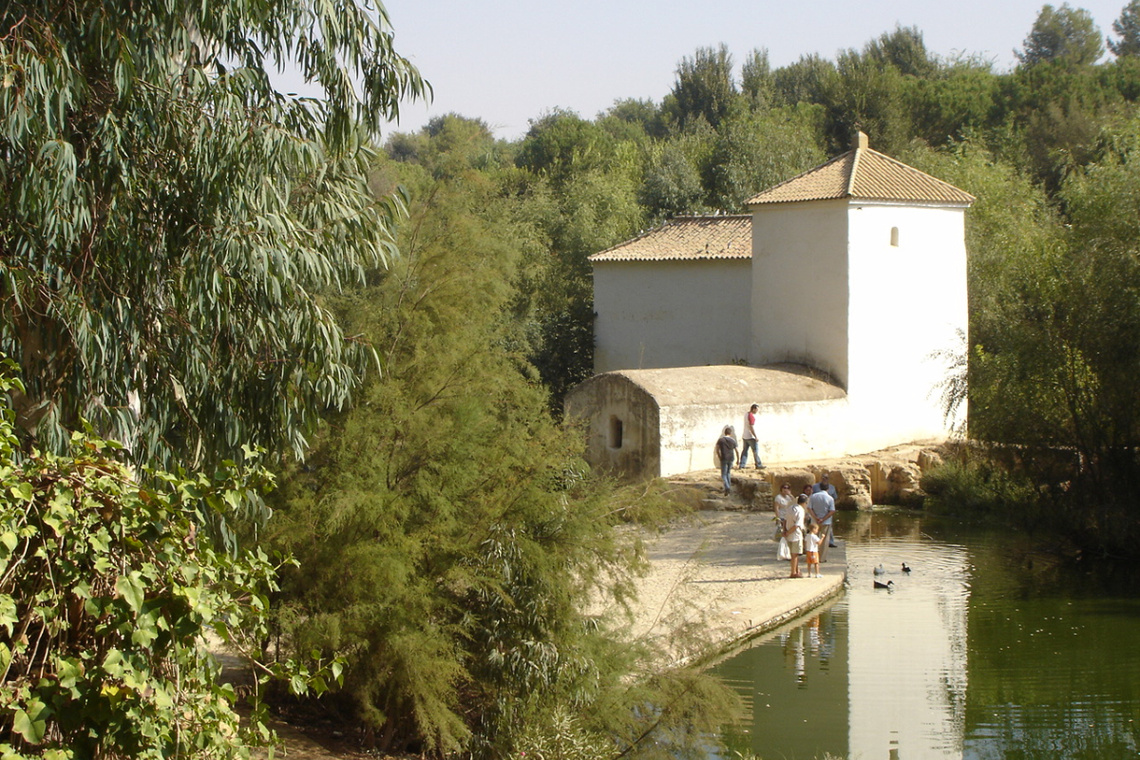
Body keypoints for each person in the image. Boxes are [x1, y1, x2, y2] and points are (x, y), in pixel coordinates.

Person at [807, 481, 836, 562]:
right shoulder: (830, 498)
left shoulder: (813, 496)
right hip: (826, 522)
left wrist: (816, 517)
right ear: (828, 488)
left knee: (812, 538)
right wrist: (823, 519)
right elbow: (832, 511)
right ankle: (821, 558)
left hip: (814, 521)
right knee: (825, 539)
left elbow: (809, 508)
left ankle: (812, 556)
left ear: (819, 487)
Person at [812, 473, 840, 548]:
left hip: (827, 509)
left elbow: (835, 498)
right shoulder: (815, 487)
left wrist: (832, 506)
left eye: (826, 478)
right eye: (823, 477)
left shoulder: (832, 488)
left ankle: (830, 541)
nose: (824, 479)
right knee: (815, 527)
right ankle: (815, 542)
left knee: (829, 527)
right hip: (817, 509)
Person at [784, 494, 806, 578]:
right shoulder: (800, 511)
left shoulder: (790, 508)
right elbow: (797, 525)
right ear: (804, 503)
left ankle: (797, 570)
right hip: (795, 534)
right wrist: (788, 532)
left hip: (789, 533)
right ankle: (793, 572)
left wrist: (785, 531)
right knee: (795, 554)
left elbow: (785, 520)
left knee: (793, 554)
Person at [714, 425, 738, 496]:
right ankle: (728, 487)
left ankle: (727, 487)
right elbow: (737, 451)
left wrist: (719, 456)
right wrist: (738, 460)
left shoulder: (720, 440)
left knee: (723, 474)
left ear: (724, 433)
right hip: (731, 458)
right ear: (730, 433)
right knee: (728, 473)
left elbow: (717, 449)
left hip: (724, 458)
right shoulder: (733, 440)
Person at [739, 404, 762, 469]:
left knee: (745, 451)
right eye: (757, 409)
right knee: (755, 451)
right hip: (751, 437)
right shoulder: (751, 416)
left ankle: (742, 465)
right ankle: (758, 464)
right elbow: (751, 427)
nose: (757, 411)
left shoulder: (746, 414)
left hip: (745, 435)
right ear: (754, 409)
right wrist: (756, 436)